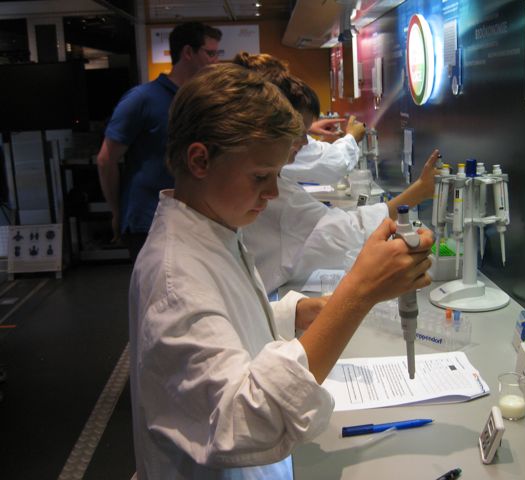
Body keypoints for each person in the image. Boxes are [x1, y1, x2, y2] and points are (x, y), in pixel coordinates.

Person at [129, 62, 433, 479]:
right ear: (200, 160)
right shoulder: (175, 278)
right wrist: (357, 294)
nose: (272, 192)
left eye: (276, 174)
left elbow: (221, 324)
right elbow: (244, 422)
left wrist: (297, 312)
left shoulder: (213, 228)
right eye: (260, 176)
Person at [233, 53, 440, 294]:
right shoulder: (273, 199)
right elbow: (344, 234)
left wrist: (301, 309)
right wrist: (418, 192)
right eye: (298, 132)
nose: (304, 143)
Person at [96, 22, 222, 260]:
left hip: (191, 216)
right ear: (188, 52)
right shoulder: (142, 99)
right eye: (210, 53)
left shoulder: (199, 100)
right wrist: (117, 211)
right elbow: (106, 160)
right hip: (149, 219)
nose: (216, 61)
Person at [233, 52, 366, 186]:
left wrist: (308, 128)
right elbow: (334, 164)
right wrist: (352, 137)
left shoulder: (248, 140)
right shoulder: (269, 147)